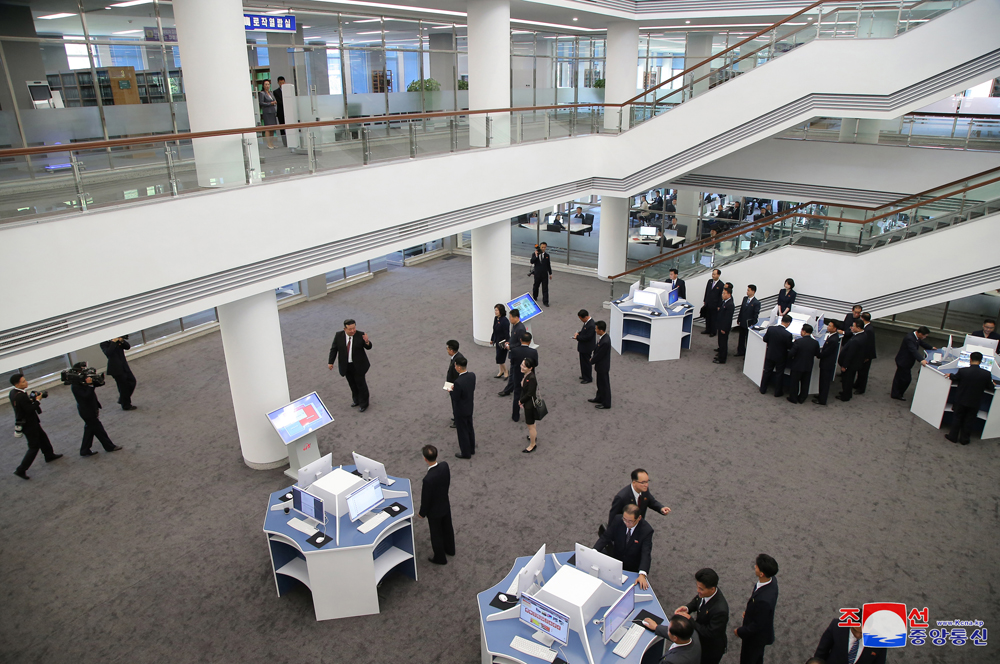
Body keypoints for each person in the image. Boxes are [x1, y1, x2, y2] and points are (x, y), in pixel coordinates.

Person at [9, 374, 62, 480]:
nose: (26, 382)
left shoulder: (13, 393)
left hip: (29, 422)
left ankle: (49, 455)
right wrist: (37, 400)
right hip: (29, 424)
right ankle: (21, 469)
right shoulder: (21, 396)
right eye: (23, 381)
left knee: (43, 437)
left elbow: (23, 406)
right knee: (33, 447)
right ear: (17, 384)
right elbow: (29, 409)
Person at [673, 568, 729, 664]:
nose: (698, 591)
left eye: (701, 589)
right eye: (697, 587)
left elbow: (710, 633)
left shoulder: (720, 610)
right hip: (700, 640)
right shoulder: (706, 594)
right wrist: (687, 608)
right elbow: (697, 600)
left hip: (710, 649)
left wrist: (690, 621)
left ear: (712, 589)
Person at [734, 554, 779, 664]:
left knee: (749, 659)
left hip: (756, 638)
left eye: (757, 566)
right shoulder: (772, 580)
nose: (755, 567)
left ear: (762, 573)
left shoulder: (764, 600)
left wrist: (740, 631)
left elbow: (757, 625)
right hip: (761, 630)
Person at [595, 504, 653, 589]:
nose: (626, 523)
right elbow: (606, 537)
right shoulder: (618, 520)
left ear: (639, 518)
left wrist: (642, 574)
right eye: (625, 519)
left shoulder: (646, 530)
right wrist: (594, 551)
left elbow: (646, 553)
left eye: (630, 521)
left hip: (631, 566)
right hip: (615, 558)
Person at [70, 366, 123, 457]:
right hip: (87, 412)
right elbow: (87, 396)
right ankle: (109, 446)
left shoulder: (80, 383)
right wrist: (90, 384)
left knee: (89, 430)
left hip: (89, 410)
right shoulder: (76, 387)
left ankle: (84, 450)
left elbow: (97, 384)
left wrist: (96, 380)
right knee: (99, 430)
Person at [602, 468, 671, 536]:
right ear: (634, 482)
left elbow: (651, 501)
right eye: (643, 482)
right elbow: (613, 519)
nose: (646, 485)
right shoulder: (621, 498)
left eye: (647, 481)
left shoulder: (644, 490)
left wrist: (661, 508)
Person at [945, 351, 994, 445]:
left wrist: (950, 375)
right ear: (981, 361)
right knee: (969, 420)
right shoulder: (986, 374)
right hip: (974, 401)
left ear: (970, 359)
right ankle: (965, 440)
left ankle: (953, 437)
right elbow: (990, 387)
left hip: (961, 399)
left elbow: (955, 377)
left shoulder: (963, 371)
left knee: (957, 418)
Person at [418, 445, 455, 565]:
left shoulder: (428, 479)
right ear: (437, 455)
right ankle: (450, 550)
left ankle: (440, 558)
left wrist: (422, 513)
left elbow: (426, 499)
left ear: (425, 459)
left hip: (434, 512)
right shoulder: (445, 466)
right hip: (445, 504)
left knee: (436, 535)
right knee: (448, 528)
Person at [327, 318, 373, 412]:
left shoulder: (360, 335)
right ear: (345, 329)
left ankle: (364, 403)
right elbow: (334, 349)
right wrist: (331, 362)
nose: (352, 331)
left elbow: (368, 347)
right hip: (346, 366)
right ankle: (356, 400)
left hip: (358, 366)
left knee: (361, 385)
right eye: (350, 329)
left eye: (354, 328)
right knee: (352, 384)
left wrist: (367, 342)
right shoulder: (338, 335)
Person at [813, 615, 887, 664]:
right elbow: (821, 653)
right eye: (855, 630)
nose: (858, 635)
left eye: (862, 633)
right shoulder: (837, 627)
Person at [890, 326, 936, 400]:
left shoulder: (915, 337)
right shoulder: (910, 339)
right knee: (906, 379)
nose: (925, 337)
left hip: (904, 361)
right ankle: (898, 394)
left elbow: (922, 343)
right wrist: (921, 360)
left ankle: (895, 393)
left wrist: (931, 347)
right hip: (904, 361)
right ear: (920, 334)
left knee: (899, 377)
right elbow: (913, 350)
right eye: (925, 336)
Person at [100, 336, 138, 411]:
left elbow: (127, 347)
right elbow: (108, 352)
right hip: (115, 368)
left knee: (132, 381)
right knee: (123, 387)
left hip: (124, 365)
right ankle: (126, 405)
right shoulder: (104, 343)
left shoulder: (119, 341)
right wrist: (113, 342)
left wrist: (122, 341)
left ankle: (122, 399)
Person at [507, 332, 538, 422]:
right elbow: (536, 364)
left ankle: (515, 416)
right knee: (530, 395)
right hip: (530, 377)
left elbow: (512, 363)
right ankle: (530, 415)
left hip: (517, 376)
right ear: (530, 341)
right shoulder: (533, 352)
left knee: (517, 395)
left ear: (520, 340)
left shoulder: (514, 351)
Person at [759, 315, 793, 397]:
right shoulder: (788, 335)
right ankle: (777, 392)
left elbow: (765, 339)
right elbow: (789, 346)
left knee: (767, 371)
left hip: (770, 354)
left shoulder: (771, 329)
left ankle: (763, 389)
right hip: (780, 357)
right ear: (788, 323)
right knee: (779, 374)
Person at [787, 324, 819, 404]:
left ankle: (793, 398)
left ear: (804, 331)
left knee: (794, 382)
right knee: (805, 383)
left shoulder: (798, 342)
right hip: (808, 366)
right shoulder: (815, 343)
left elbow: (791, 353)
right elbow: (817, 354)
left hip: (797, 365)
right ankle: (802, 398)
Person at [451, 357, 476, 459]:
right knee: (469, 428)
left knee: (462, 431)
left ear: (459, 367)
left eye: (456, 365)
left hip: (460, 410)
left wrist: (451, 391)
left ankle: (466, 453)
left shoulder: (458, 382)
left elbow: (455, 397)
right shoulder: (472, 376)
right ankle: (472, 448)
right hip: (469, 406)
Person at [813, 320, 842, 406]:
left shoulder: (833, 339)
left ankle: (822, 400)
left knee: (824, 382)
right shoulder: (832, 336)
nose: (828, 327)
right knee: (822, 381)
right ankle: (821, 395)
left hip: (827, 364)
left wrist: (818, 354)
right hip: (827, 363)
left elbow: (826, 352)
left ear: (835, 328)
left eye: (830, 326)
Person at [836, 321, 867, 402]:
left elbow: (850, 354)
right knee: (849, 380)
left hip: (850, 365)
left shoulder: (856, 340)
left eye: (853, 326)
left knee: (847, 381)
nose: (851, 328)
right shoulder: (863, 335)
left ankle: (845, 396)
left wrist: (844, 366)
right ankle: (847, 393)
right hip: (855, 363)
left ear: (859, 328)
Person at [590, 321, 612, 409]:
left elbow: (600, 355)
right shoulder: (603, 338)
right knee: (599, 383)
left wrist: (591, 360)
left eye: (596, 329)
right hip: (600, 366)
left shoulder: (605, 341)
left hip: (603, 366)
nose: (595, 330)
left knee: (604, 385)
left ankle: (606, 403)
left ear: (601, 330)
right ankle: (599, 398)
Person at [853, 313, 876, 395]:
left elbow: (869, 344)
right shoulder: (869, 328)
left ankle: (861, 388)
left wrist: (866, 356)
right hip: (865, 355)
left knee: (863, 372)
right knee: (860, 371)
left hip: (866, 355)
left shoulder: (868, 330)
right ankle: (857, 384)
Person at [520, 357, 540, 453]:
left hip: (529, 404)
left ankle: (532, 444)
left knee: (530, 425)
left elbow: (529, 393)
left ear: (530, 368)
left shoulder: (531, 378)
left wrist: (521, 401)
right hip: (528, 403)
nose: (522, 367)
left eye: (524, 366)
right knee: (532, 423)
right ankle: (533, 436)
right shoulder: (527, 375)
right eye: (522, 364)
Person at [735, 285, 760, 357]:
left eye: (749, 290)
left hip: (749, 324)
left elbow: (756, 314)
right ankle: (740, 351)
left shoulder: (756, 302)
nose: (747, 292)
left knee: (747, 339)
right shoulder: (745, 299)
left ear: (753, 291)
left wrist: (753, 324)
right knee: (741, 338)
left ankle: (747, 354)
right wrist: (739, 319)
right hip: (742, 321)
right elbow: (741, 310)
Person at [444, 340, 464, 428]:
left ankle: (458, 420)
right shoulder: (456, 357)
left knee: (456, 403)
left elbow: (457, 377)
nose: (447, 350)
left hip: (454, 386)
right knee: (454, 403)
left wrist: (451, 387)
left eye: (447, 349)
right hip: (451, 384)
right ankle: (456, 417)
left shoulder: (457, 360)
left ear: (452, 350)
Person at [574, 309, 597, 384]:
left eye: (580, 319)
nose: (581, 320)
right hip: (584, 347)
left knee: (586, 363)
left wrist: (577, 337)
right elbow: (584, 332)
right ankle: (584, 375)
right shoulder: (588, 323)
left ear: (584, 317)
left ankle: (588, 378)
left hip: (587, 347)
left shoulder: (591, 325)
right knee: (583, 362)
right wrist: (579, 333)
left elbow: (587, 337)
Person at [714, 287, 735, 364]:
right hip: (720, 325)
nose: (722, 295)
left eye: (724, 293)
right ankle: (720, 355)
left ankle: (722, 359)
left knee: (723, 343)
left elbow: (728, 319)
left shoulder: (730, 305)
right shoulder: (725, 302)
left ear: (729, 294)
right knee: (720, 342)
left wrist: (724, 328)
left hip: (724, 328)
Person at [490, 303, 510, 379]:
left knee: (500, 358)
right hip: (497, 341)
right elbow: (494, 330)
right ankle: (501, 371)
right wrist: (492, 339)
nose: (495, 312)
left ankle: (505, 371)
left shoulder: (505, 321)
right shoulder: (496, 318)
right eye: (495, 310)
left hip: (503, 342)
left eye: (497, 310)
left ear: (500, 311)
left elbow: (506, 333)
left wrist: (507, 342)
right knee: (499, 357)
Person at [701, 269, 724, 336]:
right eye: (712, 274)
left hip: (715, 305)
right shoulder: (710, 281)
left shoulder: (721, 284)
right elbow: (707, 291)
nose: (713, 275)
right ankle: (707, 330)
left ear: (718, 275)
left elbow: (721, 296)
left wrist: (719, 305)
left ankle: (713, 332)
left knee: (713, 319)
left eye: (714, 274)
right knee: (707, 317)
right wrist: (705, 300)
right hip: (708, 303)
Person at [258, 79, 278, 149]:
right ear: (263, 85)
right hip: (267, 112)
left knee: (272, 128)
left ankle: (272, 143)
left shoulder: (271, 93)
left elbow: (274, 100)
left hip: (272, 111)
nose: (267, 86)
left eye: (268, 84)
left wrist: (274, 102)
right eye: (266, 84)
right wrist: (270, 103)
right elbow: (261, 103)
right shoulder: (262, 93)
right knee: (268, 128)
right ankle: (268, 143)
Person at [530, 242, 552, 306]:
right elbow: (531, 261)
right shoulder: (534, 254)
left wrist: (550, 273)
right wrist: (536, 255)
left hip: (544, 274)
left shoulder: (547, 255)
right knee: (536, 286)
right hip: (537, 274)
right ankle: (535, 297)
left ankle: (545, 301)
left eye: (544, 247)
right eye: (542, 247)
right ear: (540, 247)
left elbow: (548, 265)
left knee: (545, 288)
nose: (543, 248)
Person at [274, 75, 286, 144]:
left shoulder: (288, 90)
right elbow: (279, 101)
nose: (282, 84)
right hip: (281, 112)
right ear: (278, 83)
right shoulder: (276, 92)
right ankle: (284, 142)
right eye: (280, 83)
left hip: (288, 111)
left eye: (283, 82)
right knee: (282, 127)